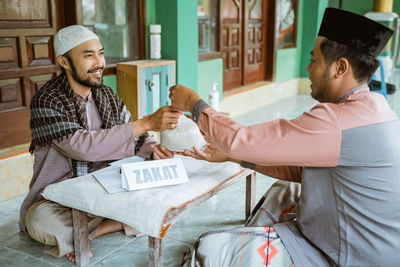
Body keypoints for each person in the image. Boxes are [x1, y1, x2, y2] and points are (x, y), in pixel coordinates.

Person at [167, 8, 400, 267]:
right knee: (284, 190)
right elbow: (305, 170)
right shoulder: (376, 109)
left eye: (314, 61)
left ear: (340, 67)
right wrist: (235, 156)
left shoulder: (338, 121)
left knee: (208, 249)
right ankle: (255, 242)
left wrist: (193, 103)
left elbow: (242, 139)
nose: (308, 69)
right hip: (368, 246)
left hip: (349, 258)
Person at [19, 25, 181, 263]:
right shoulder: (46, 100)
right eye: (88, 55)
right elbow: (83, 147)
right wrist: (146, 122)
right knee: (38, 221)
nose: (99, 62)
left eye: (101, 53)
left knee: (163, 195)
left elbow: (137, 139)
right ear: (64, 61)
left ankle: (89, 232)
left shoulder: (107, 96)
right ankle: (108, 224)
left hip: (103, 190)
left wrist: (154, 150)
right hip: (59, 197)